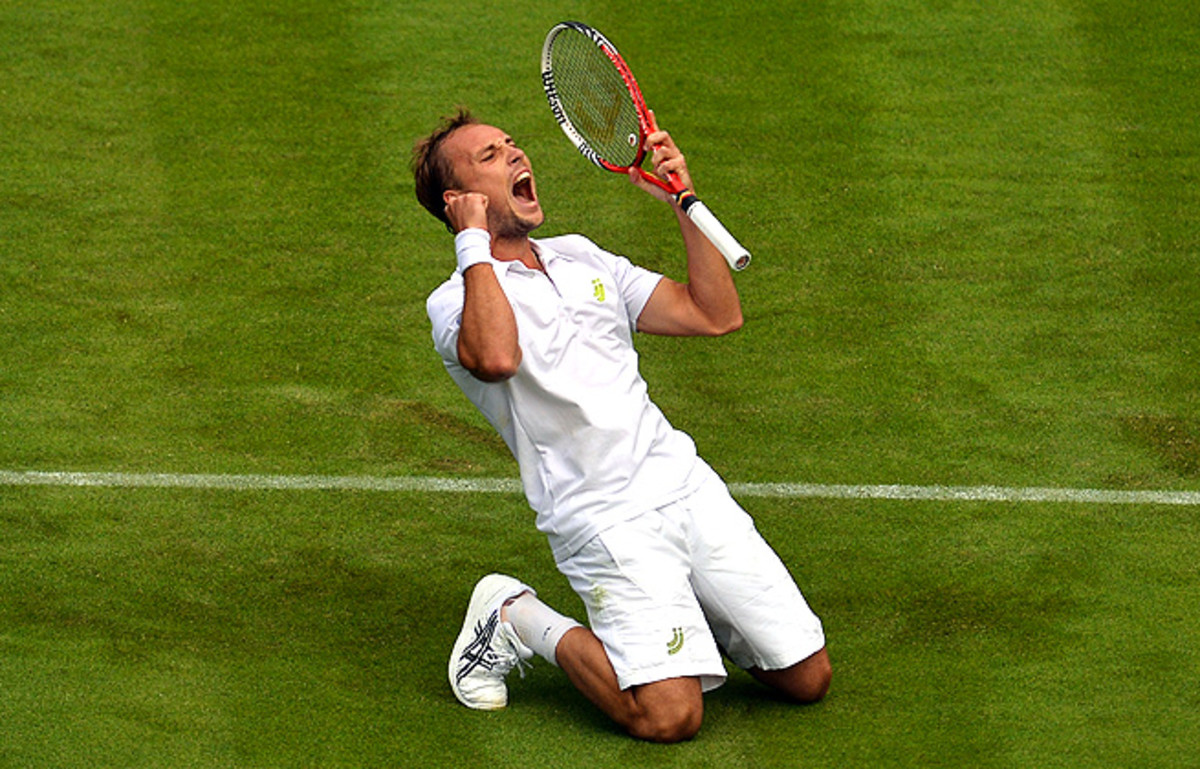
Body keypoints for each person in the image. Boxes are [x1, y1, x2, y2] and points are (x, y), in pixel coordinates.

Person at [414, 108, 830, 743]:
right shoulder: (457, 300)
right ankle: (514, 615)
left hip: (685, 487)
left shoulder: (582, 257)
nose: (518, 157)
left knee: (806, 679)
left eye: (513, 145)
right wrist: (471, 243)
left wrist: (682, 202)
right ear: (457, 200)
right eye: (491, 157)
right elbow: (496, 359)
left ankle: (686, 624)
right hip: (603, 519)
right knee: (670, 716)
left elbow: (712, 314)